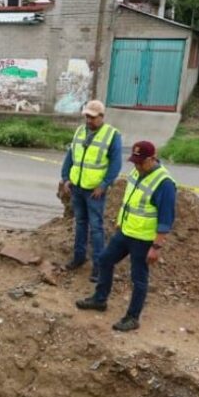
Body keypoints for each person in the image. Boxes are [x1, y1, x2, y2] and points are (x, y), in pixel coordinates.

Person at [75, 141, 177, 332]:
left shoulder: (164, 183)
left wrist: (156, 247)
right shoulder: (137, 173)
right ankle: (99, 299)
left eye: (140, 162)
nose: (136, 166)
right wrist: (121, 222)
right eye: (134, 162)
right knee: (105, 260)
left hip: (144, 239)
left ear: (152, 159)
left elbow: (166, 219)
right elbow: (130, 202)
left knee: (138, 278)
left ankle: (132, 317)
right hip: (125, 233)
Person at [58, 100, 123, 281]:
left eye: (92, 117)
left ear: (102, 117)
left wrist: (104, 185)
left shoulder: (112, 136)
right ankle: (79, 258)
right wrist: (65, 178)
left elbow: (116, 164)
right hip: (77, 187)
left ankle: (98, 266)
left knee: (96, 228)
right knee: (80, 223)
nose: (88, 120)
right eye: (87, 116)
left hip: (95, 191)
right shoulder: (80, 131)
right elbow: (70, 156)